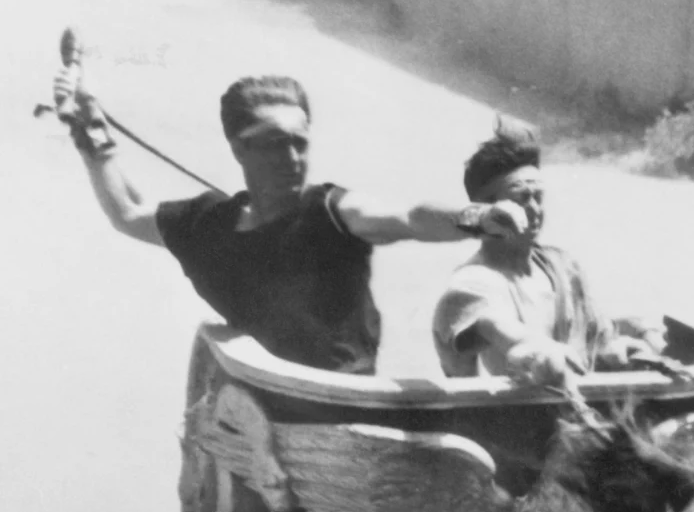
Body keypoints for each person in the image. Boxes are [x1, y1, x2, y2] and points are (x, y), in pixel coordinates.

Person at [52, 65, 524, 376]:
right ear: (238, 148)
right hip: (255, 416)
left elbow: (408, 218)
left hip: (343, 414)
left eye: (301, 141)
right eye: (275, 143)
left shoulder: (334, 213)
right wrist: (90, 132)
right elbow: (130, 213)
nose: (293, 156)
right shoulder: (208, 224)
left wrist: (476, 216)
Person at [431, 117, 653, 386]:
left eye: (539, 197)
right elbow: (492, 326)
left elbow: (597, 341)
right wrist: (534, 350)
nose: (535, 210)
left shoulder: (561, 266)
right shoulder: (472, 284)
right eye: (521, 199)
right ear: (488, 210)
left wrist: (628, 346)